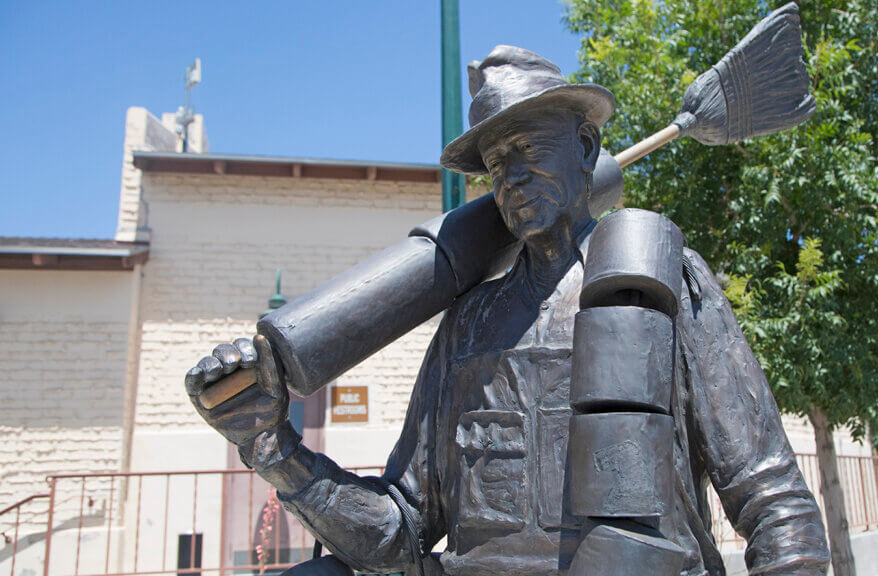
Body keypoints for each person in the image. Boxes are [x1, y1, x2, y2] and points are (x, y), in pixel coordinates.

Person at [186, 46, 829, 576]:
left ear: (584, 147)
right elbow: (399, 534)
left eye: (528, 150)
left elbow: (771, 498)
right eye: (496, 164)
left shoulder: (658, 283)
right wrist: (270, 444)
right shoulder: (468, 325)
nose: (511, 177)